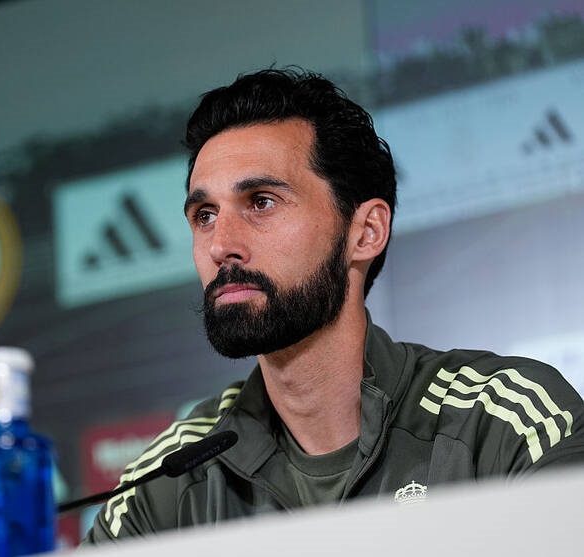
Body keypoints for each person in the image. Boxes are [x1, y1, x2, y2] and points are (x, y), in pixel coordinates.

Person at [84, 68, 584, 543]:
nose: (221, 245)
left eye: (261, 202)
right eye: (205, 215)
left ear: (365, 232)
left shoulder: (502, 421)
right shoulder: (167, 480)